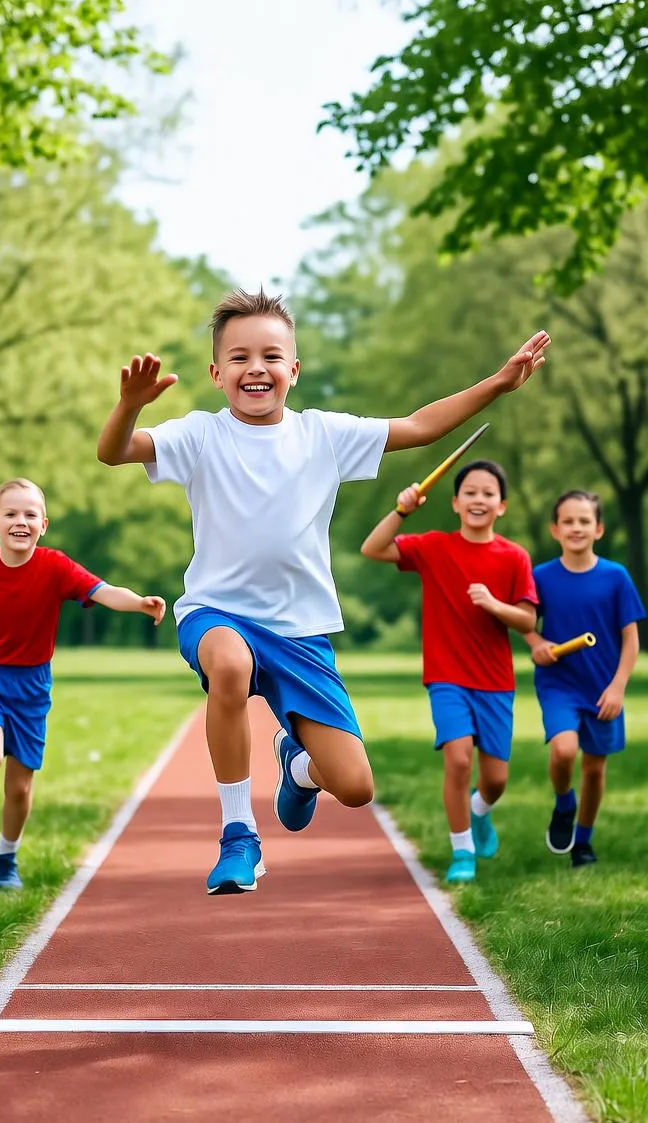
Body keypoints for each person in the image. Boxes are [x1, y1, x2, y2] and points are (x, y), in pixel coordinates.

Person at [97, 287, 549, 895]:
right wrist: (128, 406)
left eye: (270, 356)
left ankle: (299, 767)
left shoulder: (324, 435)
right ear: (215, 372)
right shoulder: (201, 435)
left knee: (356, 788)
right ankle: (238, 837)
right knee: (228, 666)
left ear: (293, 369)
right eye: (239, 357)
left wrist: (496, 383)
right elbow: (114, 451)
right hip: (216, 611)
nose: (255, 368)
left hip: (300, 632)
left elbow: (418, 426)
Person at [0, 477, 166, 890]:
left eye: (30, 515)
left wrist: (140, 603)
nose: (20, 521)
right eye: (11, 514)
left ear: (44, 525)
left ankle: (6, 857)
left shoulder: (55, 567)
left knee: (20, 788)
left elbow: (103, 590)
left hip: (32, 686)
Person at [360, 459, 538, 883]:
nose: (479, 499)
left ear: (502, 505)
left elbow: (529, 622)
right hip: (447, 678)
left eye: (488, 493)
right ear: (456, 502)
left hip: (495, 682)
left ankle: (480, 812)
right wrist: (402, 510)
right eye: (471, 493)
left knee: (495, 780)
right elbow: (373, 547)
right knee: (458, 761)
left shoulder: (514, 557)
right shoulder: (434, 547)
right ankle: (463, 853)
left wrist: (494, 605)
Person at [524, 490, 644, 868]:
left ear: (599, 528)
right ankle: (564, 803)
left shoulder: (616, 577)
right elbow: (525, 621)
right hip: (559, 683)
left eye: (584, 521)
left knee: (595, 767)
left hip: (602, 687)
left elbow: (631, 639)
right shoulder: (540, 576)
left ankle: (584, 842)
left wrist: (618, 686)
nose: (576, 528)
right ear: (555, 529)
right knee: (564, 750)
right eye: (568, 522)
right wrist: (537, 641)